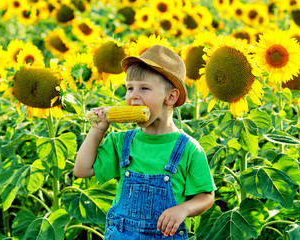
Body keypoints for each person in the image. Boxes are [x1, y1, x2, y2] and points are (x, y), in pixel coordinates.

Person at [74, 45, 216, 239]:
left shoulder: (189, 149)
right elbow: (82, 170)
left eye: (144, 88)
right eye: (130, 88)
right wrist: (97, 131)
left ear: (171, 97)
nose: (133, 95)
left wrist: (183, 209)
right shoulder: (121, 141)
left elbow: (206, 196)